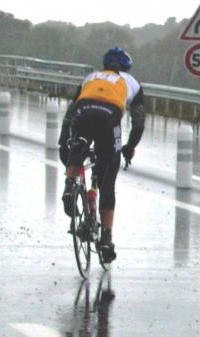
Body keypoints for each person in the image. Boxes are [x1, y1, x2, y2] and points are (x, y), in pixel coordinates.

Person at [58, 46, 146, 262]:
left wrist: (63, 143)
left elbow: (71, 113)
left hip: (83, 111)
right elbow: (139, 123)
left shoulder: (91, 77)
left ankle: (70, 185)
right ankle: (106, 239)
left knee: (78, 146)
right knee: (108, 179)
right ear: (127, 67)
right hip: (110, 117)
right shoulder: (132, 83)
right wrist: (129, 147)